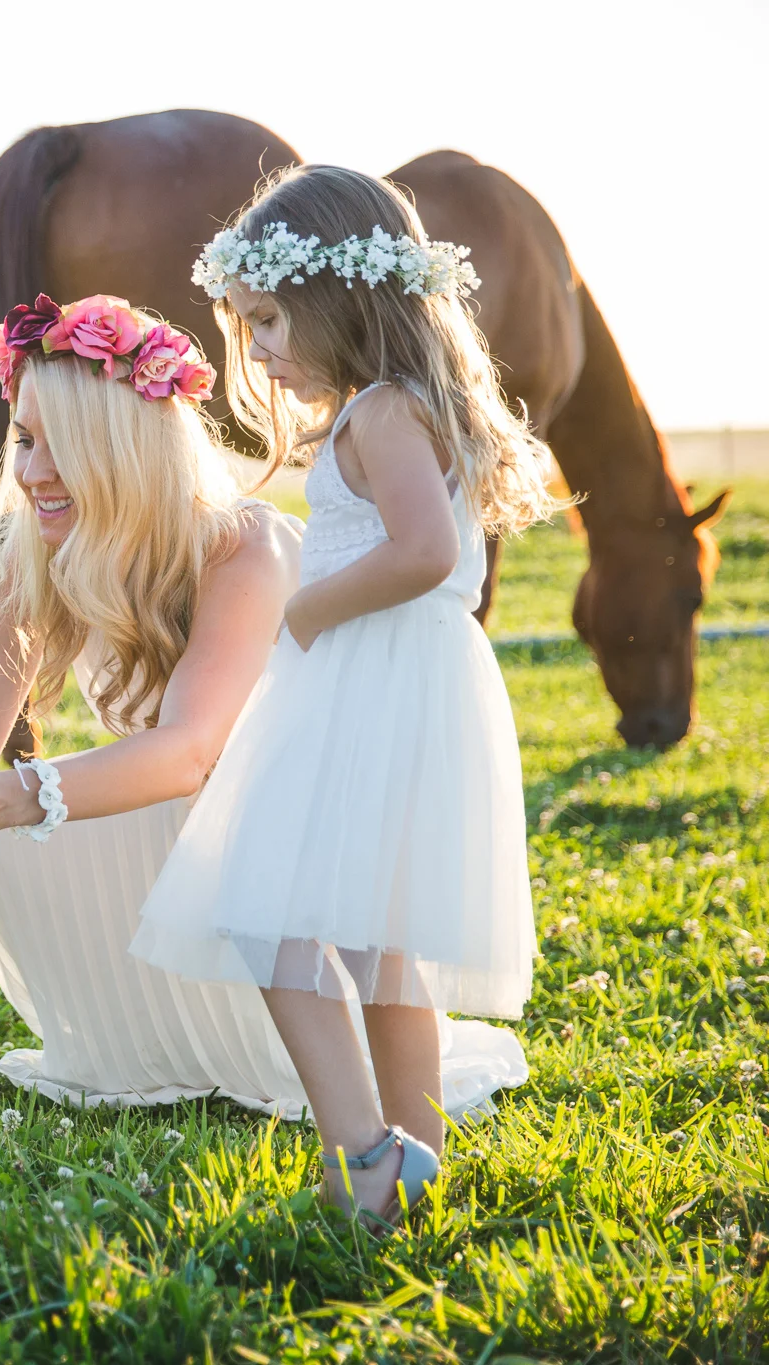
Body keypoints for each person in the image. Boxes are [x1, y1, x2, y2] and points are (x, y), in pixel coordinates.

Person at [0, 290, 527, 1175]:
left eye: (66, 444)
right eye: (24, 439)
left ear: (128, 449)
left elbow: (190, 752)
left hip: (281, 846)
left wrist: (14, 795)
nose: (33, 471)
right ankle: (155, 1028)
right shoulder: (40, 547)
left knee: (26, 807)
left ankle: (376, 1143)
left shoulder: (240, 546)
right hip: (163, 829)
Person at [129, 166, 558, 1224]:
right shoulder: (404, 406)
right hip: (407, 679)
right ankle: (404, 1166)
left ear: (340, 296)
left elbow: (419, 551)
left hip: (365, 675)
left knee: (268, 914)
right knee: (377, 940)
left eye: (267, 320)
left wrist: (304, 612)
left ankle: (364, 1147)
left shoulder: (376, 412)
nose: (260, 349)